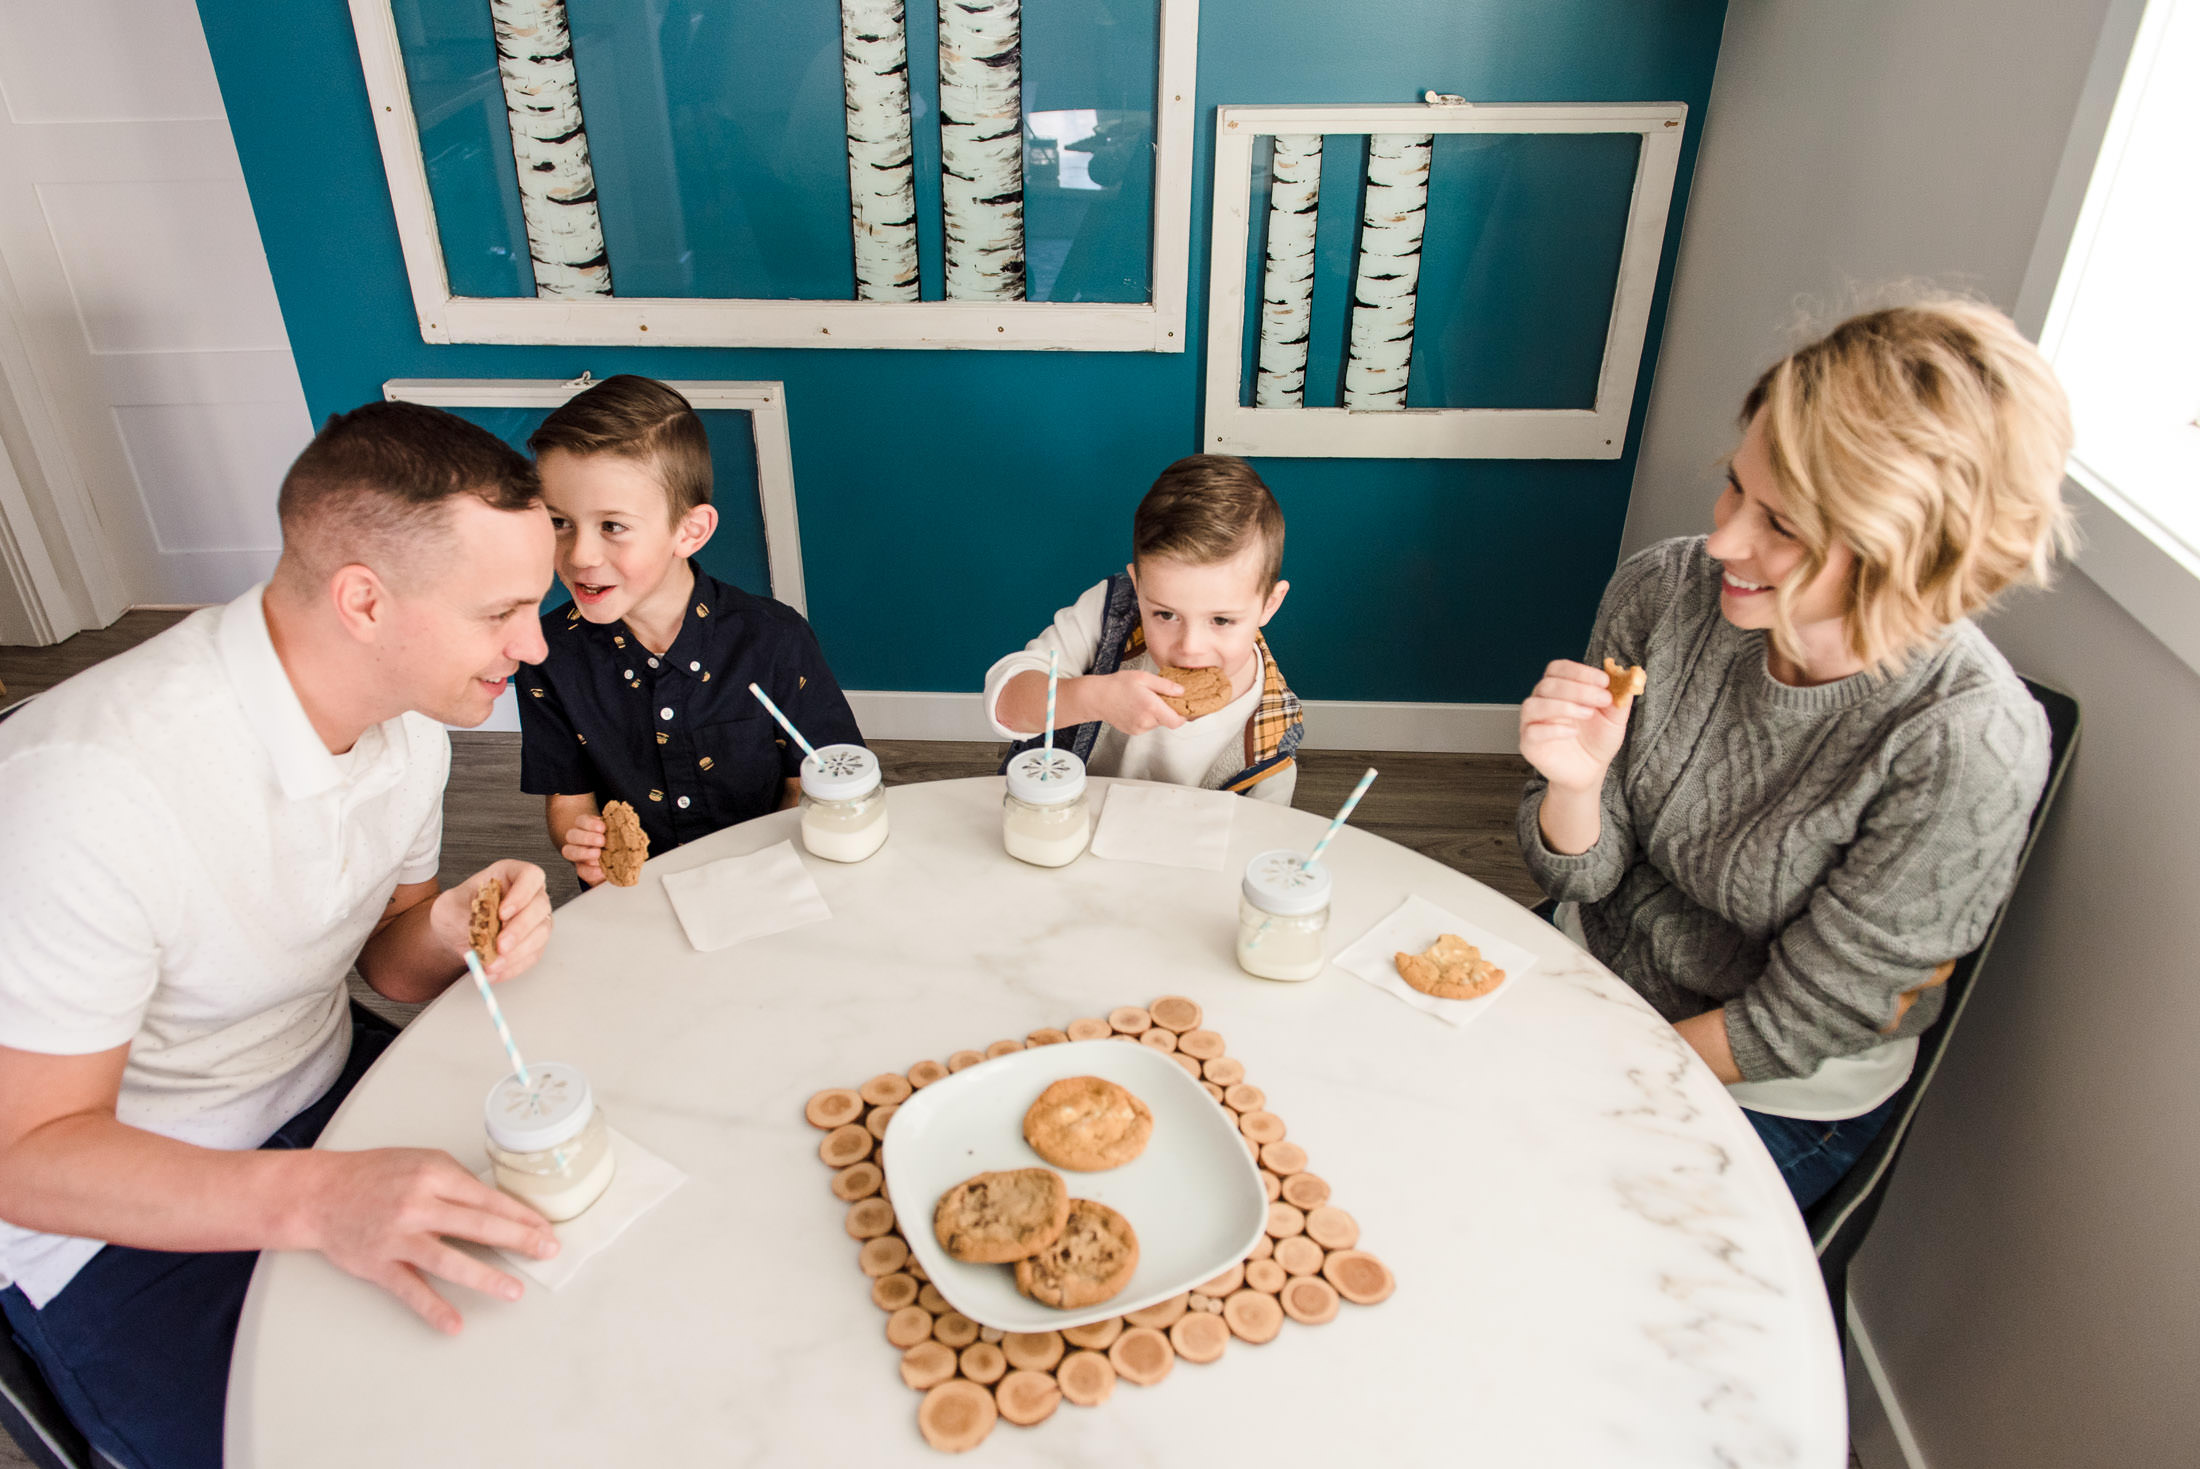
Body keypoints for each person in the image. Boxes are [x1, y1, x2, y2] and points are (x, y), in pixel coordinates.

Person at [0, 402, 567, 1469]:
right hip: (107, 1220)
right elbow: (21, 1152)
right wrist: (317, 1196)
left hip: (325, 1085)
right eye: (501, 611)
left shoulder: (407, 727)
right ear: (363, 598)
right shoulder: (86, 789)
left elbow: (387, 958)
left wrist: (447, 927)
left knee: (566, 1310)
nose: (532, 646)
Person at [1515, 299, 2074, 1208]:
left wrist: (1575, 1062)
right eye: (1737, 486)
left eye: (1785, 526)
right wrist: (1573, 788)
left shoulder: (1964, 743)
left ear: (1912, 552)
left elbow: (1803, 1019)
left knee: (1531, 1214)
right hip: (1598, 974)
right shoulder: (1667, 588)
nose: (1724, 539)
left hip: (1766, 1082)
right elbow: (1583, 878)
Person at [515, 375, 862, 887]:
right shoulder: (544, 653)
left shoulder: (773, 640)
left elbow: (810, 780)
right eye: (560, 522)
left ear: (689, 531)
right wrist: (584, 842)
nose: (580, 556)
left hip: (768, 882)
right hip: (635, 896)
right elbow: (567, 799)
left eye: (612, 526)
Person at [983, 454, 1303, 803]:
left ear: (1269, 604)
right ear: (1139, 587)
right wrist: (1093, 699)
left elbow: (1256, 842)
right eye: (1166, 615)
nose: (1190, 647)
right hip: (1057, 827)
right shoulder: (1112, 613)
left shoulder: (1272, 735)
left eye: (1221, 620)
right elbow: (1005, 704)